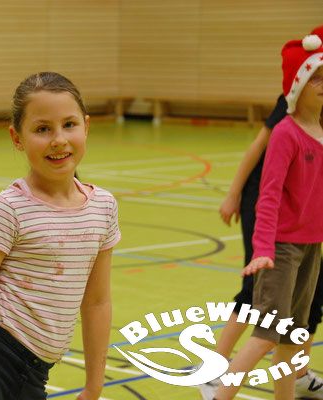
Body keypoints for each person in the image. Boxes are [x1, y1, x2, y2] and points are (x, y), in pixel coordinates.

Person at [0, 72, 121, 400]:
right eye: (42, 129)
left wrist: (94, 385)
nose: (58, 139)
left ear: (86, 126)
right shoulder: (8, 207)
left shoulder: (103, 206)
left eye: (69, 124)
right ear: (17, 138)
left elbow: (97, 302)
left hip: (34, 374)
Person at [200, 26, 323, 400]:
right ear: (298, 85)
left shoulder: (319, 130)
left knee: (293, 335)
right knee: (266, 335)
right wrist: (263, 249)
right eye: (316, 77)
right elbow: (268, 197)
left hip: (311, 247)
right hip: (281, 250)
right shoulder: (286, 133)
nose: (322, 85)